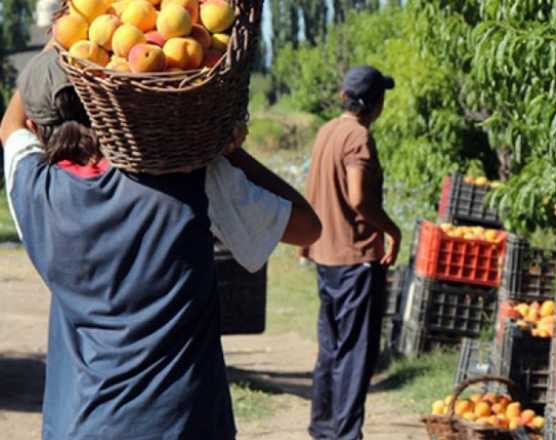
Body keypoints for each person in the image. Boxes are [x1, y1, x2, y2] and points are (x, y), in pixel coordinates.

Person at [0, 48, 322, 439]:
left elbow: (10, 127)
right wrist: (224, 152)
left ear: (37, 127)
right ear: (116, 99)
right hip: (183, 425)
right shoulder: (192, 179)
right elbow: (307, 226)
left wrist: (58, 42)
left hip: (80, 427)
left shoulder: (36, 192)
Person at [301, 65, 401, 439]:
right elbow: (358, 197)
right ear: (375, 103)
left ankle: (324, 428)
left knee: (331, 349)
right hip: (355, 260)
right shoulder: (358, 137)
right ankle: (345, 434)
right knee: (355, 354)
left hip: (325, 256)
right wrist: (393, 231)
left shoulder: (327, 131)